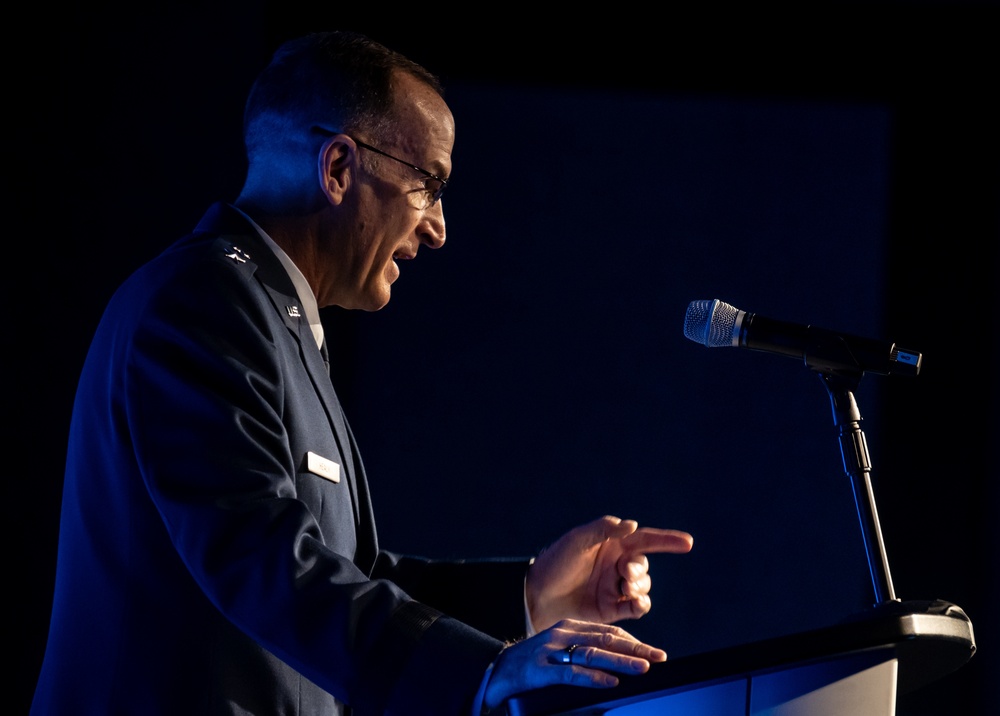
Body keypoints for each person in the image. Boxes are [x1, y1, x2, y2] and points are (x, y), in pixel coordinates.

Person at [30, 30, 694, 715]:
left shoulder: (271, 313)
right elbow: (261, 557)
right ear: (340, 168)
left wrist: (529, 594)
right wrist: (484, 669)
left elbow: (350, 573)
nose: (437, 228)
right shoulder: (199, 301)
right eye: (428, 185)